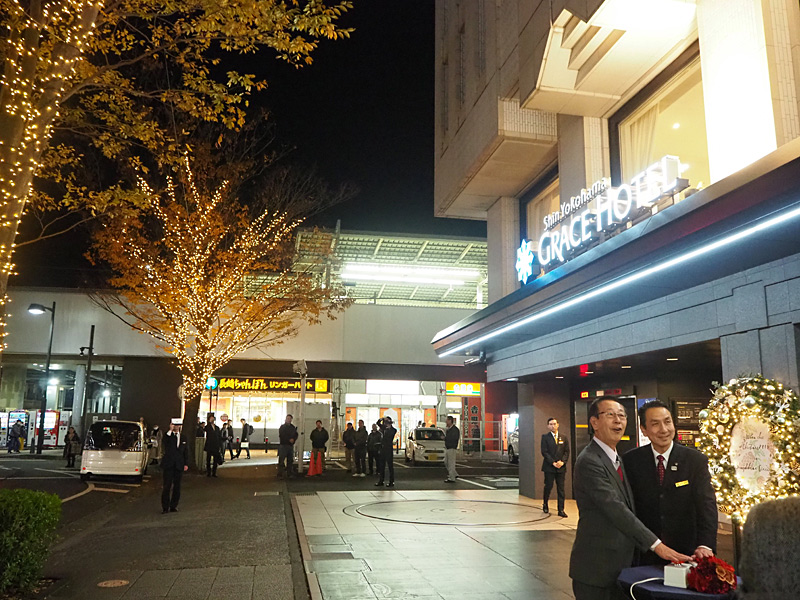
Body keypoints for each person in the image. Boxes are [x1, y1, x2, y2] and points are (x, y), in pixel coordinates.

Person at [569, 397, 690, 600]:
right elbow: (615, 509)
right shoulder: (590, 461)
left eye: (622, 416)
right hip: (596, 570)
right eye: (610, 415)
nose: (618, 421)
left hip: (620, 567)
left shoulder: (617, 458)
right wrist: (657, 546)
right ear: (594, 422)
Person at [622, 400, 717, 564]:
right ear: (644, 430)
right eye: (655, 424)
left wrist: (705, 544)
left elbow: (706, 505)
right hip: (645, 553)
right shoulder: (631, 461)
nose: (664, 429)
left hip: (687, 553)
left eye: (667, 422)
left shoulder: (694, 460)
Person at [541, 417, 570, 518]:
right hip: (549, 467)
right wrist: (553, 462)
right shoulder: (545, 437)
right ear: (548, 426)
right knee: (548, 486)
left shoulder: (564, 437)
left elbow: (567, 451)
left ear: (558, 425)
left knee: (561, 488)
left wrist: (562, 462)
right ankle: (545, 504)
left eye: (554, 424)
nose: (553, 426)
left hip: (561, 467)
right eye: (550, 424)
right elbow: (544, 452)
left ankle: (561, 509)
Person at [161, 422, 188, 514]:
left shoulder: (183, 437)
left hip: (179, 464)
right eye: (174, 425)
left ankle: (173, 506)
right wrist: (170, 430)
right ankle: (165, 507)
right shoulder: (168, 436)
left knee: (177, 486)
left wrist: (186, 464)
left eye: (178, 425)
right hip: (169, 464)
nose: (176, 426)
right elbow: (164, 442)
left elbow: (186, 451)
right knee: (167, 486)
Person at [375, 416, 397, 487]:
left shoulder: (393, 430)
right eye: (385, 422)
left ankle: (391, 481)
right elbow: (378, 423)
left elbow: (389, 437)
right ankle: (381, 481)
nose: (385, 423)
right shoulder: (384, 428)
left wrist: (388, 425)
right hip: (383, 449)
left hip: (389, 449)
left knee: (390, 466)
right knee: (382, 466)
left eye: (387, 422)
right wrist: (382, 418)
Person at [278, 414, 298, 479]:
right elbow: (282, 435)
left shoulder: (293, 427)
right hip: (283, 445)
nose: (289, 420)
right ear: (285, 419)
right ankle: (280, 474)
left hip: (290, 446)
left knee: (290, 461)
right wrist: (289, 439)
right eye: (288, 418)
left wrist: (293, 439)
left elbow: (295, 434)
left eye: (290, 419)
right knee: (281, 460)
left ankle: (289, 474)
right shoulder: (282, 427)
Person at [444, 416, 459, 483]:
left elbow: (454, 438)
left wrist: (446, 438)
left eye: (447, 420)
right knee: (446, 462)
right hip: (448, 447)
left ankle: (452, 477)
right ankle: (454, 474)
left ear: (450, 421)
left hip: (452, 448)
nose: (446, 422)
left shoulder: (454, 430)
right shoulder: (449, 429)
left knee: (451, 463)